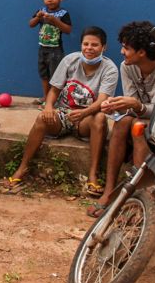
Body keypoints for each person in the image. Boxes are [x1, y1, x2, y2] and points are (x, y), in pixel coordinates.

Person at [87, 20, 155, 217]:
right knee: (121, 122)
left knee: (138, 126)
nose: (122, 52)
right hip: (139, 114)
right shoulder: (127, 66)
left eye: (126, 48)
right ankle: (109, 191)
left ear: (142, 52)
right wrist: (113, 105)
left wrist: (135, 105)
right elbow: (130, 101)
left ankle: (139, 198)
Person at [7, 27, 118, 190]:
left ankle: (92, 174)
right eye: (85, 44)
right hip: (64, 114)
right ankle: (22, 168)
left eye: (94, 45)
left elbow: (102, 101)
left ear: (104, 47)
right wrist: (49, 107)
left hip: (87, 118)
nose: (89, 48)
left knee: (100, 118)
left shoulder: (110, 69)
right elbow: (55, 90)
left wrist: (84, 113)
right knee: (41, 119)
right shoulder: (70, 60)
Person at [29, 0, 72, 105]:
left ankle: (54, 99)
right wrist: (37, 17)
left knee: (55, 75)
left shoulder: (63, 13)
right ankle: (46, 96)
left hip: (56, 50)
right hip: (42, 49)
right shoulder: (41, 11)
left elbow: (68, 30)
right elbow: (31, 24)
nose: (49, 0)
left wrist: (55, 20)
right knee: (44, 74)